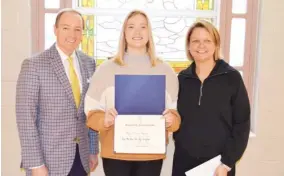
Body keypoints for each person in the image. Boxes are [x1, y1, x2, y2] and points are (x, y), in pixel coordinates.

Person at [85, 10, 180, 176]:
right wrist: (104, 119)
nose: (137, 32)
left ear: (149, 32)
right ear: (124, 32)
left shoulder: (165, 70)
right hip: (115, 155)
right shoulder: (105, 70)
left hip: (151, 154)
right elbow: (91, 114)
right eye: (131, 27)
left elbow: (176, 115)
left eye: (143, 27)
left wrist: (171, 120)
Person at [16, 8, 99, 176]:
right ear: (55, 30)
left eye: (77, 29)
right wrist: (36, 164)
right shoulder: (34, 65)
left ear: (83, 33)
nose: (72, 34)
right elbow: (25, 119)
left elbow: (91, 110)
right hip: (47, 161)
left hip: (81, 158)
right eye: (66, 28)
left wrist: (92, 149)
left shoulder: (89, 63)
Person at [171, 20, 251, 176]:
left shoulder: (231, 78)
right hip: (184, 163)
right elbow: (175, 116)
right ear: (188, 46)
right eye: (196, 41)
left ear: (216, 45)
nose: (201, 46)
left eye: (207, 41)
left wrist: (227, 163)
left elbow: (242, 124)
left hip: (219, 165)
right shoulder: (182, 79)